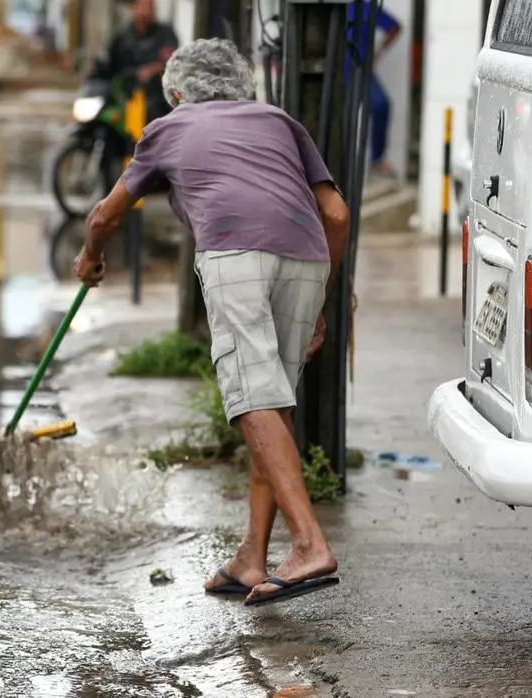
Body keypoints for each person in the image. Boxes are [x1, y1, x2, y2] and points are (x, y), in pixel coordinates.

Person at [73, 38, 351, 607]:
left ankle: (308, 544)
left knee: (252, 399)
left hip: (235, 253)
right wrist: (320, 294)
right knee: (271, 404)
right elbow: (336, 214)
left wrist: (89, 258)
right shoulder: (280, 121)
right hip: (307, 256)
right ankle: (252, 556)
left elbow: (105, 213)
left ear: (176, 93)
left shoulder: (167, 128)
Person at [103, 0, 178, 125]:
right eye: (141, 7)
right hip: (125, 89)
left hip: (156, 93)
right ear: (133, 8)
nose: (145, 11)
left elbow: (171, 59)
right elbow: (109, 62)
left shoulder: (165, 33)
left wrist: (151, 70)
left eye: (149, 7)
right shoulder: (121, 35)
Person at [349, 0, 401, 175]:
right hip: (337, 71)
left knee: (381, 105)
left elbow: (395, 27)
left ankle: (376, 160)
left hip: (361, 70)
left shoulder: (367, 6)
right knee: (343, 116)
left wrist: (378, 53)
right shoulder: (337, 5)